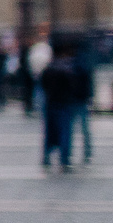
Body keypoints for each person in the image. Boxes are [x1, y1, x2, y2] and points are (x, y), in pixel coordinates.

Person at [40, 39, 88, 170]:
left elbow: (43, 84)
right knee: (65, 132)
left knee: (49, 132)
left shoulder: (48, 68)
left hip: (50, 103)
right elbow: (73, 86)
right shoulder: (67, 69)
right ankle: (64, 160)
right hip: (64, 104)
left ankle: (46, 157)